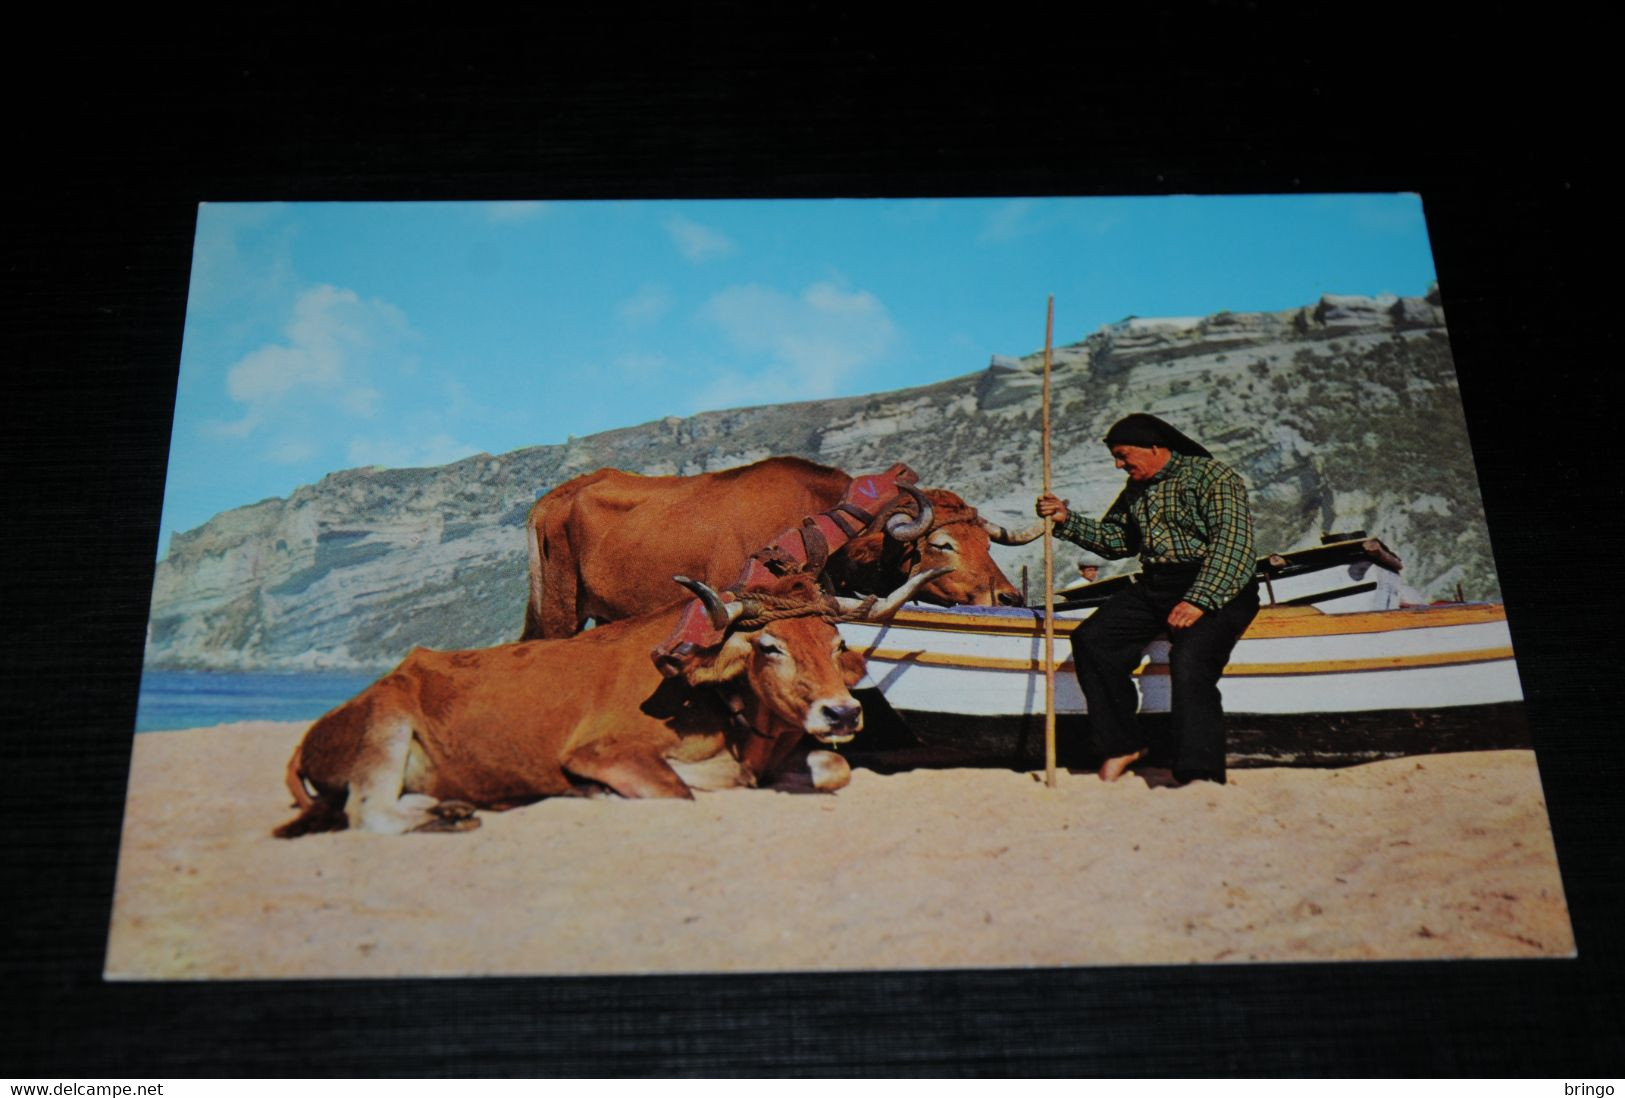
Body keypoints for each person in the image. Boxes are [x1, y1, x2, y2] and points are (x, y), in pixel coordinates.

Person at [1036, 413, 1258, 785]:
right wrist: (1065, 519)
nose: (1119, 465)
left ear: (1155, 448)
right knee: (1093, 641)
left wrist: (1200, 600)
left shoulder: (1214, 478)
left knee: (1189, 659)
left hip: (1220, 583)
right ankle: (1122, 744)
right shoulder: (1136, 489)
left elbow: (1233, 545)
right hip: (1158, 583)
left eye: (1123, 456)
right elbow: (1116, 541)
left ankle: (1199, 772)